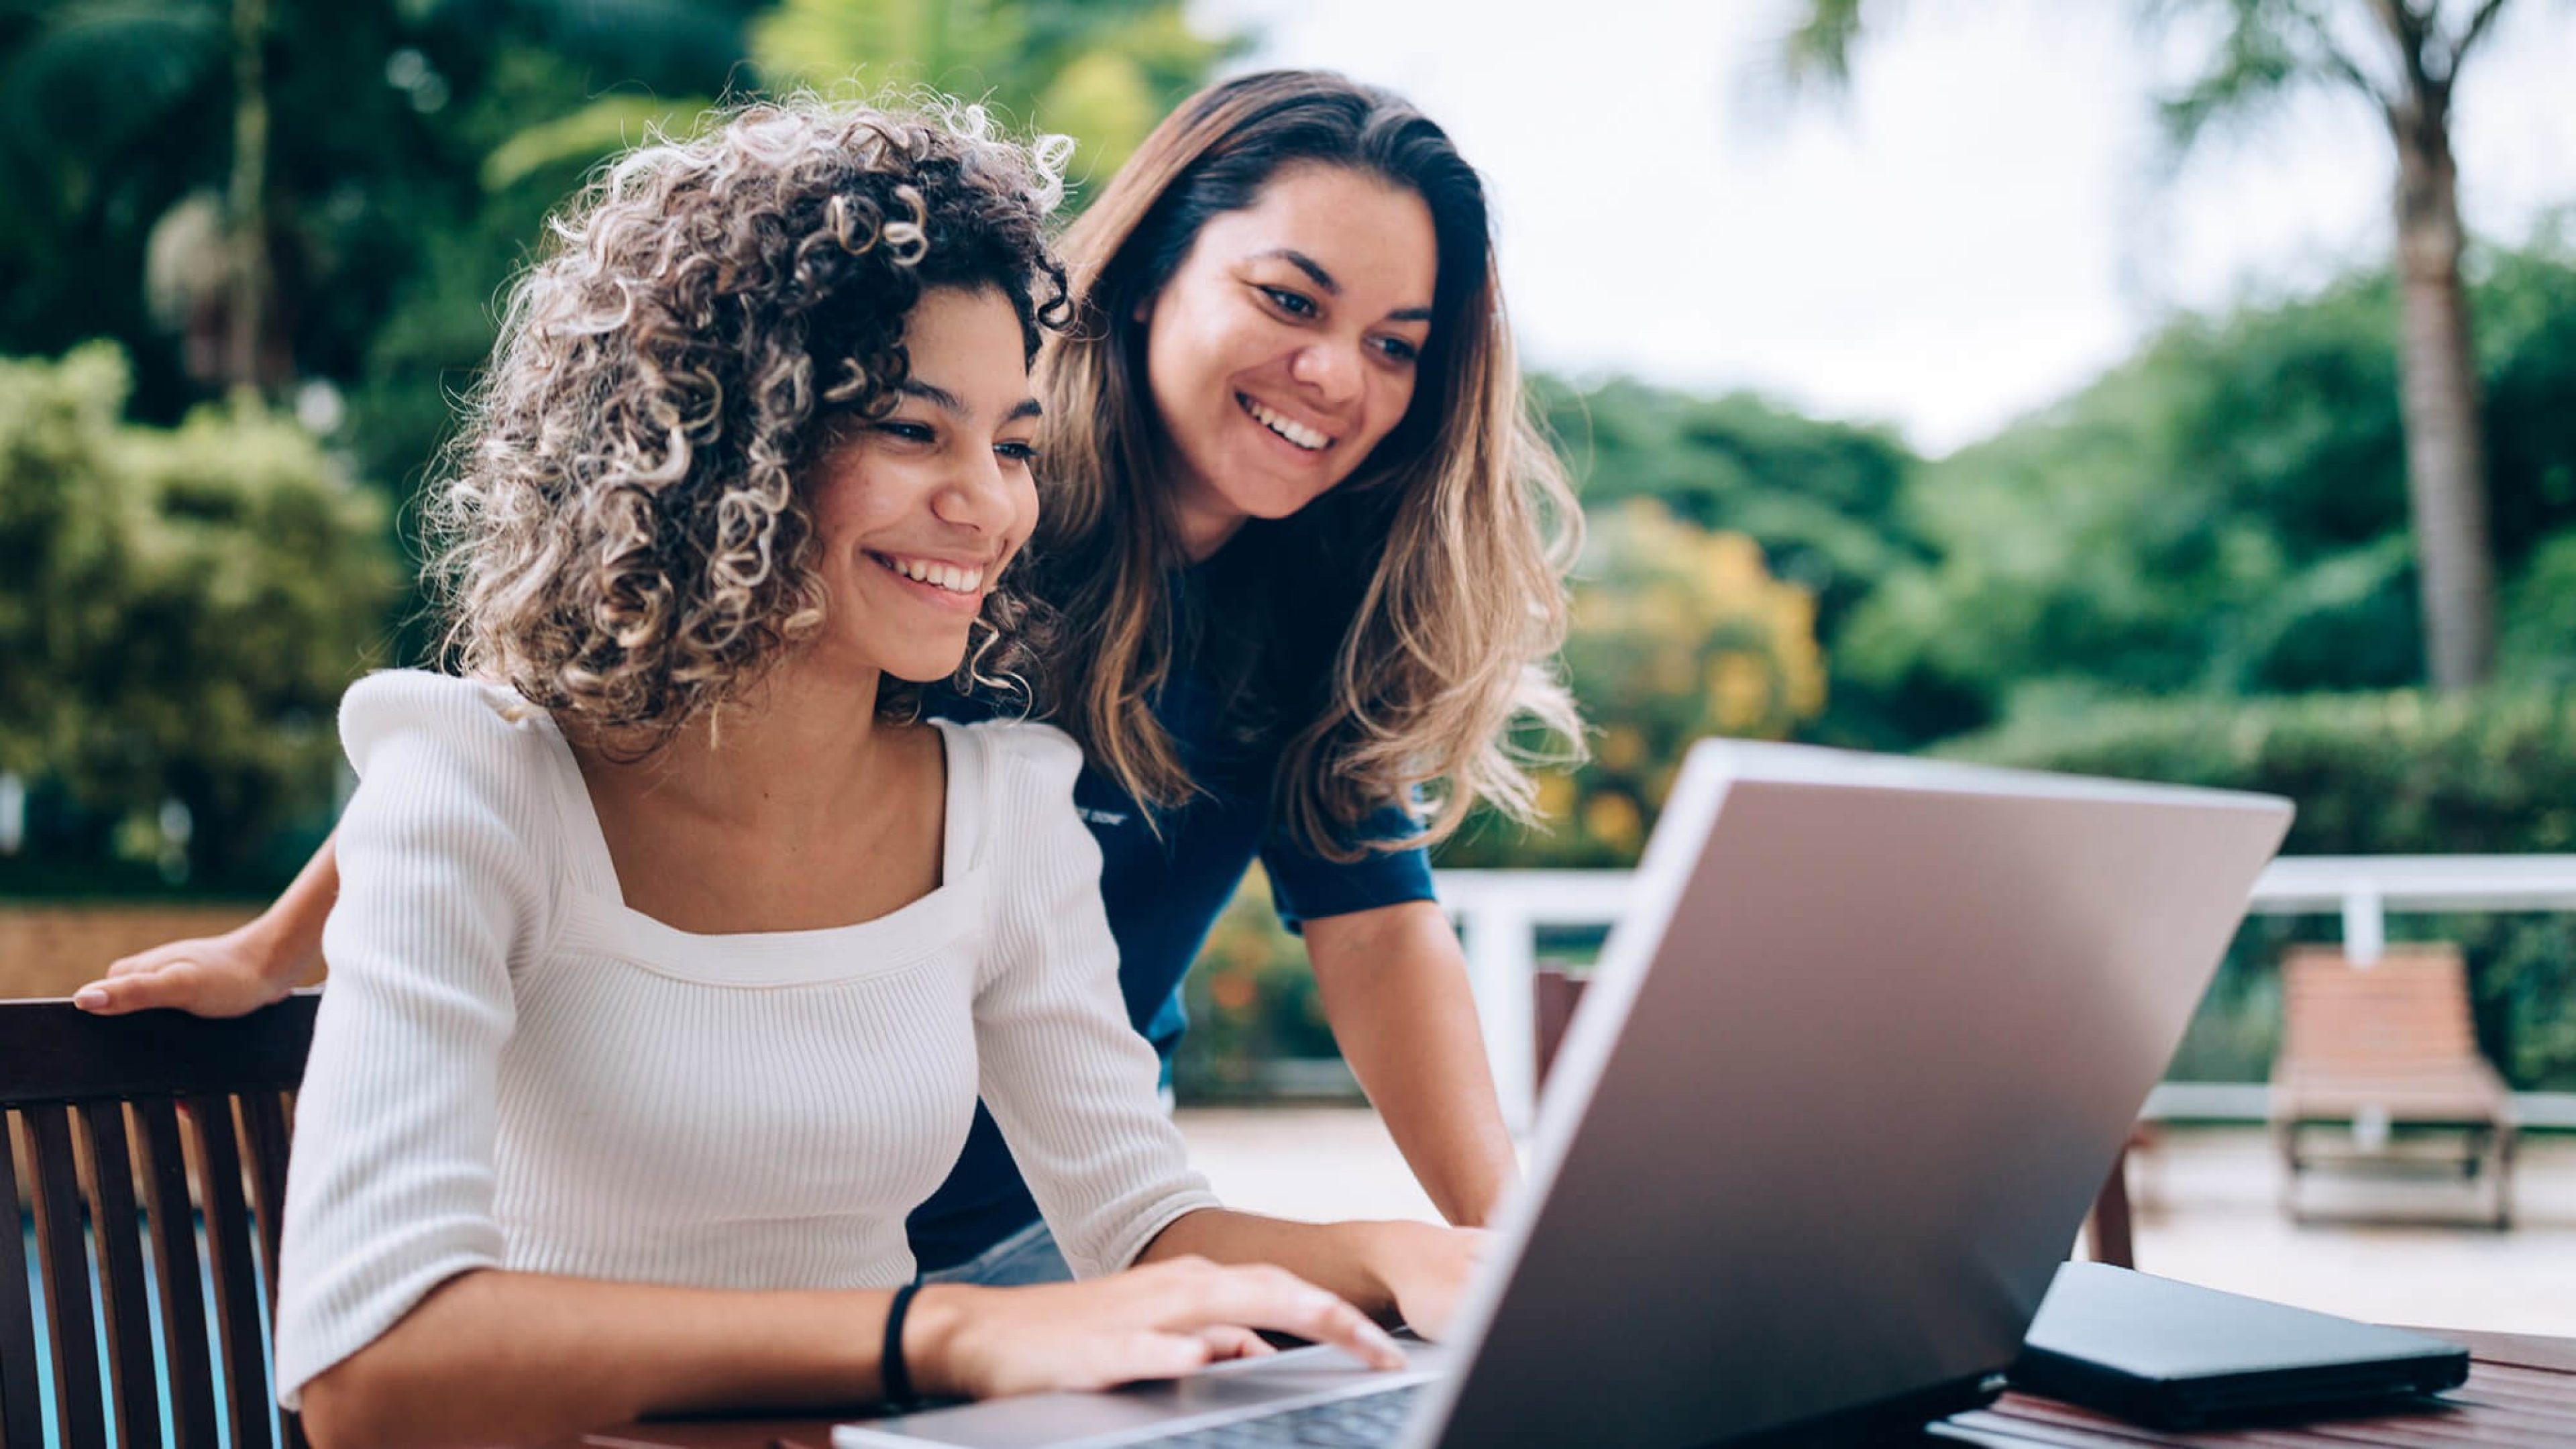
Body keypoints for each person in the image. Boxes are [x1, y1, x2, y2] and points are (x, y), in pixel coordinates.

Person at [80, 70, 1582, 1288]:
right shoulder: (946, 527)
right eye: (1289, 300)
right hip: (761, 1215)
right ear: (1143, 282)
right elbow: (556, 717)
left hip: (1051, 1211)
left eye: (1398, 343)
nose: (1337, 374)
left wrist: (1502, 1250)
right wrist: (282, 948)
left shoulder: (1313, 611)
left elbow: (1382, 941)